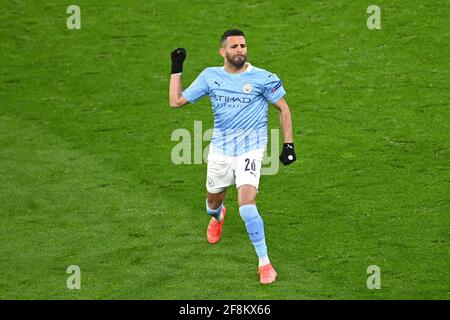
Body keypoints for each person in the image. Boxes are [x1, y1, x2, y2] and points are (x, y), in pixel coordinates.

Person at [169, 29, 296, 284]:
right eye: (235, 46)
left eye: (243, 46)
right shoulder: (210, 76)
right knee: (212, 204)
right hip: (220, 151)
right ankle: (217, 216)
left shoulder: (262, 78)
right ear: (223, 51)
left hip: (251, 149)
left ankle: (265, 264)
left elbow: (283, 108)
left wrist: (288, 144)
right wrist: (177, 67)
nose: (241, 50)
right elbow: (176, 101)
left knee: (247, 207)